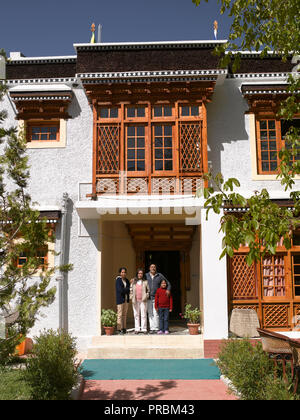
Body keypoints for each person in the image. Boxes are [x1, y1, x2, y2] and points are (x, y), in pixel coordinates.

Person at [145, 263, 171, 334]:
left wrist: (168, 289)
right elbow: (139, 279)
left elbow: (168, 283)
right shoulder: (146, 275)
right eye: (151, 267)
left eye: (154, 267)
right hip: (148, 297)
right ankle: (151, 328)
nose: (153, 268)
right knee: (150, 313)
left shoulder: (159, 275)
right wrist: (133, 280)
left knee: (156, 313)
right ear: (149, 268)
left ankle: (156, 328)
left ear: (155, 268)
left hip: (157, 298)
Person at [130, 268, 150, 334]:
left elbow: (148, 291)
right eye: (139, 273)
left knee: (143, 314)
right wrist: (131, 297)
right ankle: (137, 328)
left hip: (143, 300)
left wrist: (146, 296)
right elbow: (131, 290)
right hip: (135, 300)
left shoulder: (145, 282)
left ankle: (144, 329)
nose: (140, 275)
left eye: (141, 273)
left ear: (143, 274)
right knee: (136, 314)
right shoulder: (133, 282)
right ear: (137, 274)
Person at [115, 267, 130, 334]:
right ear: (120, 273)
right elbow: (120, 290)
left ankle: (124, 328)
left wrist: (126, 289)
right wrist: (126, 289)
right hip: (120, 299)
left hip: (126, 299)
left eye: (124, 272)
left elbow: (129, 289)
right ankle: (119, 329)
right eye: (122, 272)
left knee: (124, 314)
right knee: (120, 314)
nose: (123, 273)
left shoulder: (127, 280)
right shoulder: (118, 280)